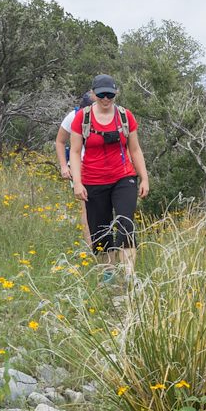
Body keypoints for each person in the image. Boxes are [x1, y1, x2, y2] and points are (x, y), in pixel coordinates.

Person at [68, 74, 149, 280]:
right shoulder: (82, 118)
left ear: (116, 95)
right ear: (93, 94)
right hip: (93, 180)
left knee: (125, 223)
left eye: (110, 95)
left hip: (124, 177)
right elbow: (75, 152)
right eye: (102, 95)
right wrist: (77, 183)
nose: (106, 99)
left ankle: (130, 275)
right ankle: (109, 273)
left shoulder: (125, 116)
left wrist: (144, 178)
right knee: (100, 230)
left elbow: (136, 149)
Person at [55, 91, 94, 247]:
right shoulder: (73, 117)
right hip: (79, 166)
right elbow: (60, 141)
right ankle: (92, 247)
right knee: (86, 207)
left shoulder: (109, 115)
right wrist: (64, 166)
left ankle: (105, 244)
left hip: (102, 166)